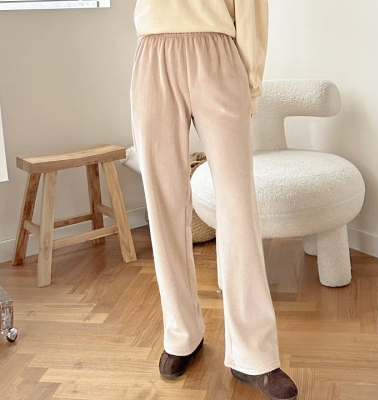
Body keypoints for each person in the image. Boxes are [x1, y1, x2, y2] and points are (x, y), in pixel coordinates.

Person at [130, 1, 298, 399]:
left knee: (238, 205)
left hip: (217, 51)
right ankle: (181, 334)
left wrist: (250, 83)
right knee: (163, 203)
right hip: (153, 50)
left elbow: (253, 9)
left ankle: (254, 354)